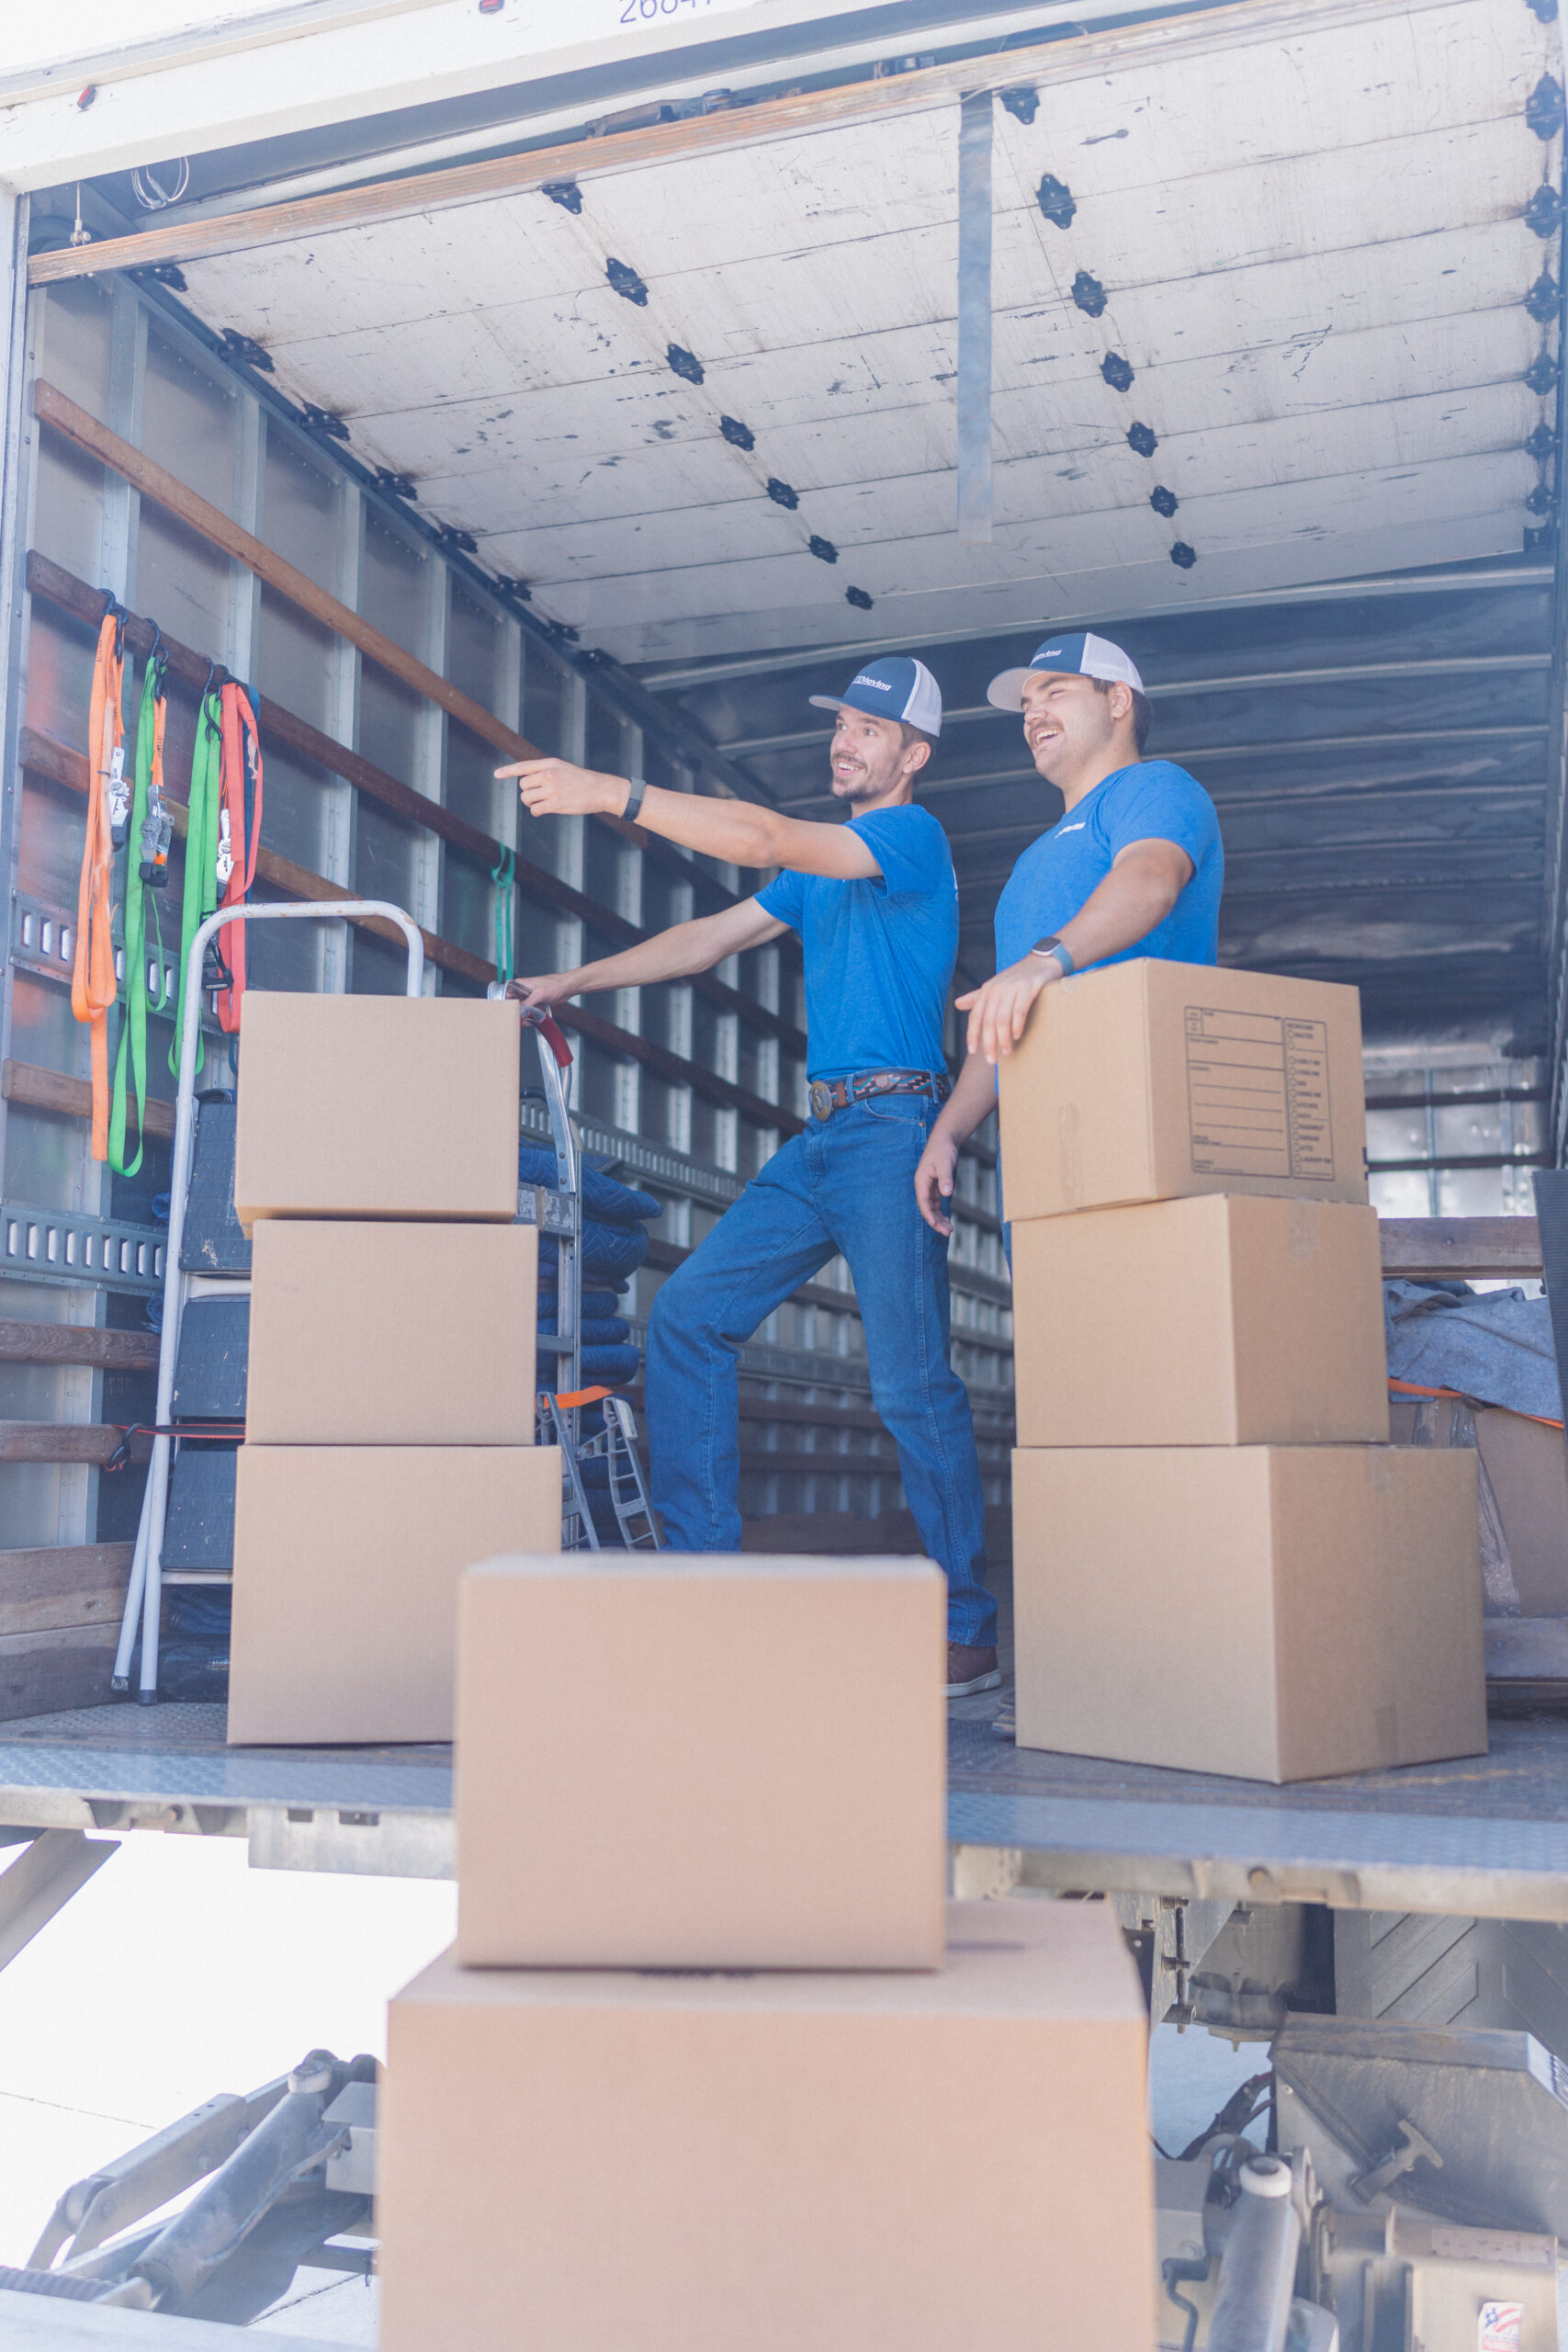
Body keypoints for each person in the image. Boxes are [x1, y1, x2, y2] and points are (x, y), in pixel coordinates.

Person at [496, 656, 1000, 1695]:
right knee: (686, 1319)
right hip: (821, 1141)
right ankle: (702, 1582)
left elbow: (766, 834)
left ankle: (967, 1624)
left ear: (914, 754)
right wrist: (570, 982)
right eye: (842, 726)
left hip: (896, 1128)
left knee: (912, 1386)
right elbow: (703, 941)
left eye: (869, 730)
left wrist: (610, 793)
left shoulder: (909, 839)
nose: (845, 742)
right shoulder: (817, 875)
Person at [914, 629, 1224, 1237]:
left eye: (1053, 692)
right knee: (1056, 1327)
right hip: (1041, 1147)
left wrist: (1044, 958)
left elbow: (1151, 878)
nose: (1032, 714)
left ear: (1117, 701)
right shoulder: (1030, 863)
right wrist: (947, 1134)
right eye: (1026, 705)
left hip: (1137, 1120)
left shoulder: (1154, 788)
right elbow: (1002, 1021)